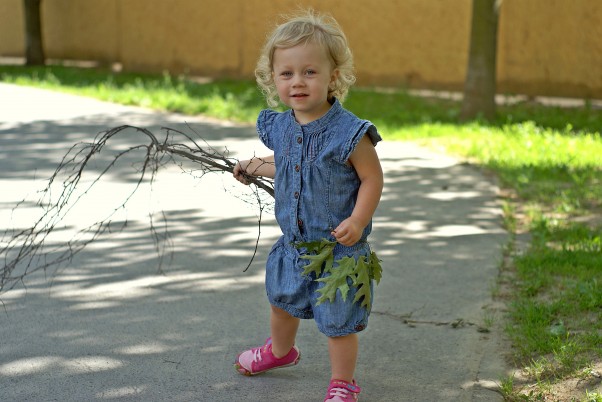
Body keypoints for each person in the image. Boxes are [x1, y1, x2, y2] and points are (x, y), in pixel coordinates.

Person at [232, 10, 383, 402]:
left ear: (333, 76)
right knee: (281, 302)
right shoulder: (281, 127)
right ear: (274, 79)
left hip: (338, 249)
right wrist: (254, 167)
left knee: (338, 322)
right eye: (287, 74)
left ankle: (342, 383)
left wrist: (358, 218)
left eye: (310, 72)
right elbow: (288, 163)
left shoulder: (350, 133)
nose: (297, 81)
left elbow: (372, 178)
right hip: (294, 246)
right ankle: (280, 352)